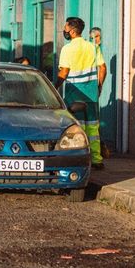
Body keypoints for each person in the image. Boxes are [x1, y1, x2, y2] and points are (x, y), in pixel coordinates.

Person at [54, 17, 103, 169]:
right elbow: (103, 68)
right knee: (93, 128)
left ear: (72, 31)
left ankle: (78, 158)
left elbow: (64, 71)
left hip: (74, 95)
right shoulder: (93, 47)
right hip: (91, 94)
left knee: (76, 127)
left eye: (66, 28)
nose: (64, 31)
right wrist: (98, 86)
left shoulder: (67, 49)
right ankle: (96, 160)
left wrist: (54, 87)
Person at [90, 27, 107, 93]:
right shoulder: (95, 48)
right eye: (92, 38)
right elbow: (103, 67)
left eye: (96, 36)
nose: (95, 40)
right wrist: (100, 86)